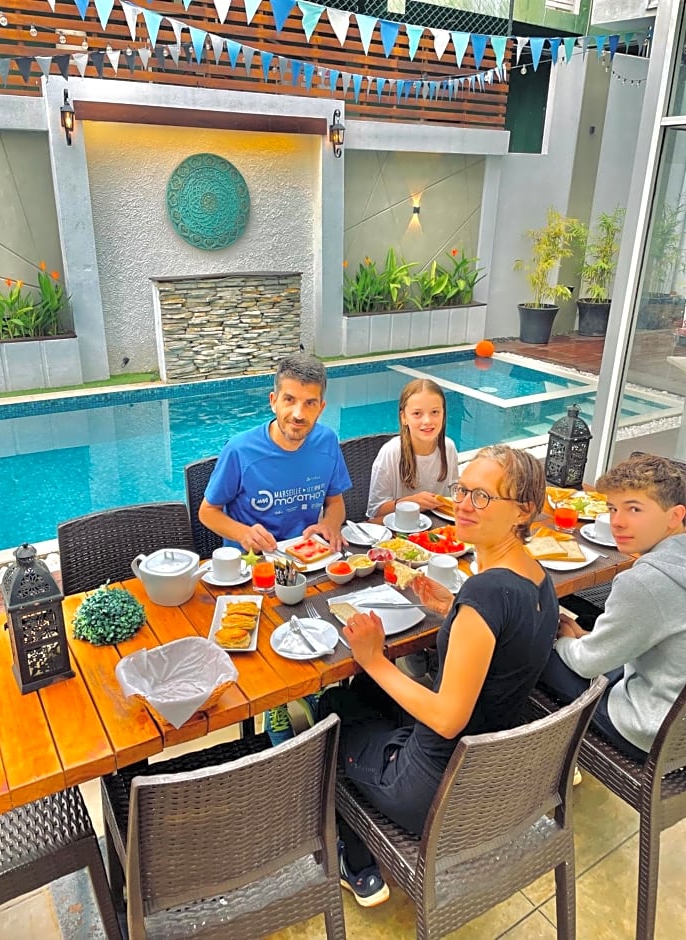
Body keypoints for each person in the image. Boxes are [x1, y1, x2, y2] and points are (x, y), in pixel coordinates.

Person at [318, 444, 558, 907]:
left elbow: (448, 719)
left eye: (483, 496)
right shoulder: (536, 577)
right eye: (462, 490)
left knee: (333, 709)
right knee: (364, 691)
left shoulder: (485, 594)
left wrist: (373, 657)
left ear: (523, 510)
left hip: (432, 789)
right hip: (484, 768)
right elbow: (505, 645)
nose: (464, 505)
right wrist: (453, 610)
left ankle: (353, 852)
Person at [199, 354, 352, 744]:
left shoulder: (327, 442)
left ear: (321, 407)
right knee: (269, 654)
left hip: (310, 566)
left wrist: (331, 525)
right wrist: (243, 532)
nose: (298, 413)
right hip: (254, 574)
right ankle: (279, 706)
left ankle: (313, 693)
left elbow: (336, 503)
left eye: (309, 403)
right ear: (273, 400)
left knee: (333, 635)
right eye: (289, 400)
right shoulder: (240, 450)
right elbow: (207, 512)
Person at [540, 453, 686, 762]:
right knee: (585, 629)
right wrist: (588, 640)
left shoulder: (646, 582)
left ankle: (527, 759)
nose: (617, 521)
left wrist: (565, 642)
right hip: (677, 717)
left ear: (675, 516)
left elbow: (586, 664)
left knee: (531, 650)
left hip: (650, 732)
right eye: (612, 508)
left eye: (634, 509)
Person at [366, 378, 459, 523]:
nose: (427, 421)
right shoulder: (391, 453)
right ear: (404, 417)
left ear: (444, 414)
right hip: (399, 529)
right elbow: (375, 511)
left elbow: (452, 499)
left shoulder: (449, 448)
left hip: (438, 528)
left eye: (435, 412)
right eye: (417, 413)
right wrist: (410, 503)